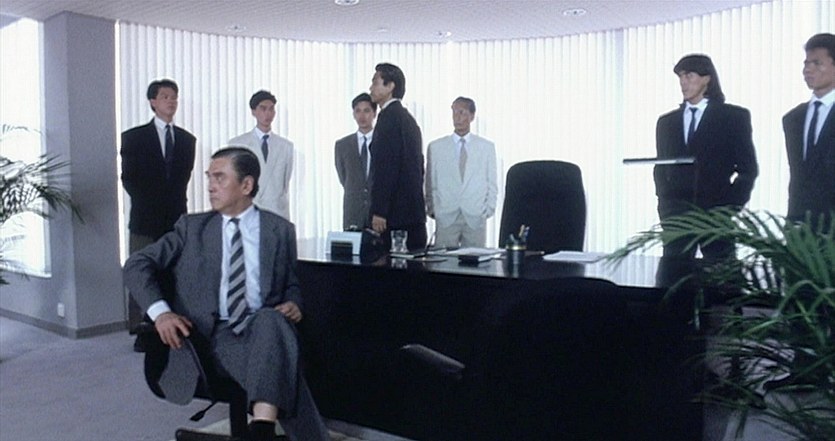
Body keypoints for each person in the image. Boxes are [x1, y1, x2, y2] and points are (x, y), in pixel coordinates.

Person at [124, 147, 330, 441]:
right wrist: (161, 314)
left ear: (246, 185)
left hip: (261, 328)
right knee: (282, 365)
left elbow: (291, 284)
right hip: (207, 336)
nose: (210, 185)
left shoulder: (280, 230)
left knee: (270, 322)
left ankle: (261, 429)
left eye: (219, 178)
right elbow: (136, 264)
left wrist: (294, 302)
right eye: (209, 177)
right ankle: (265, 430)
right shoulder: (191, 228)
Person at [653, 54, 758, 259]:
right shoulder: (666, 122)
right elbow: (661, 167)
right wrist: (665, 206)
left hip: (715, 217)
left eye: (689, 76)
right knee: (672, 274)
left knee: (722, 274)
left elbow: (748, 169)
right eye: (680, 77)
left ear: (706, 78)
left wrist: (729, 208)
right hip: (676, 219)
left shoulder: (733, 117)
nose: (683, 82)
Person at [121, 78, 196, 345]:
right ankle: (142, 330)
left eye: (174, 97)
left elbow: (182, 181)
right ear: (153, 101)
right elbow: (129, 179)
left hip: (176, 219)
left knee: (173, 274)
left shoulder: (187, 140)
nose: (171, 101)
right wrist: (153, 206)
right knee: (142, 272)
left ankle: (171, 324)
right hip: (145, 218)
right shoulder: (134, 137)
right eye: (165, 97)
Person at [368, 62, 427, 250]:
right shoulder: (407, 118)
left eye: (375, 82)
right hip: (412, 212)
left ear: (390, 86)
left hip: (395, 215)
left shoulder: (388, 119)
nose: (371, 88)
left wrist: (379, 210)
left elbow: (386, 168)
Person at [425, 97, 498, 248]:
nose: (457, 117)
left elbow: (491, 182)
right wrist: (433, 209)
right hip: (446, 214)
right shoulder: (437, 147)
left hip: (475, 215)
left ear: (472, 116)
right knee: (444, 259)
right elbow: (430, 182)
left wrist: (487, 210)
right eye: (454, 112)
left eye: (462, 112)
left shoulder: (486, 147)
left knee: (474, 260)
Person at [784, 33, 835, 232]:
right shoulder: (793, 118)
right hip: (799, 226)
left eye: (817, 63)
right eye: (806, 63)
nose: (808, 69)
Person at [228, 90, 294, 220]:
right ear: (253, 111)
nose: (267, 114)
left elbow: (284, 184)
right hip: (247, 210)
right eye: (263, 109)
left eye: (271, 109)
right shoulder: (238, 144)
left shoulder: (286, 146)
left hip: (276, 212)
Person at [334, 93, 377, 230]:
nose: (362, 116)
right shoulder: (342, 145)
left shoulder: (383, 142)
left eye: (366, 111)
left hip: (377, 212)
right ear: (353, 114)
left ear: (374, 113)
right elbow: (344, 178)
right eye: (358, 111)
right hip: (353, 211)